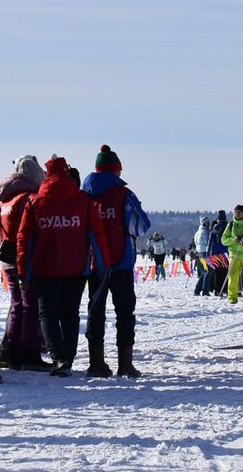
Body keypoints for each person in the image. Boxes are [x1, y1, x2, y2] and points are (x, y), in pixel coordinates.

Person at [17, 155, 110, 377]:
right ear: (67, 173)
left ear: (47, 175)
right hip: (76, 268)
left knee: (47, 314)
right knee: (70, 314)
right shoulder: (83, 201)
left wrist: (24, 273)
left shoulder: (34, 202)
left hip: (44, 268)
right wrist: (103, 266)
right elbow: (96, 236)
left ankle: (58, 358)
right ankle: (67, 357)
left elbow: (25, 241)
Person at [82, 144, 152, 378]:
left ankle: (96, 363)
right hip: (121, 262)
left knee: (95, 312)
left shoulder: (85, 195)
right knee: (124, 313)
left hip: (94, 262)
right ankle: (125, 364)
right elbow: (142, 225)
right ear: (116, 171)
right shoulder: (124, 195)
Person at [0, 155, 51, 372]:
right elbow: (31, 231)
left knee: (17, 305)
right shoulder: (27, 198)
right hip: (22, 257)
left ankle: (11, 349)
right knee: (31, 305)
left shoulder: (3, 200)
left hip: (4, 255)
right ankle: (28, 351)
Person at [209, 210, 229, 296]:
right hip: (225, 253)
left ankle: (217, 289)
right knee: (226, 272)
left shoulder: (214, 228)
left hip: (215, 253)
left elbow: (210, 242)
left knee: (217, 272)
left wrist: (209, 253)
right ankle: (225, 289)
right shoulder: (227, 227)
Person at [193, 216, 212, 296]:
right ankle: (205, 290)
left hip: (200, 252)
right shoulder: (205, 232)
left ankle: (197, 290)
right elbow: (208, 242)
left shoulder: (198, 232)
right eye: (208, 222)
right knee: (208, 271)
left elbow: (195, 242)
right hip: (205, 252)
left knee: (204, 272)